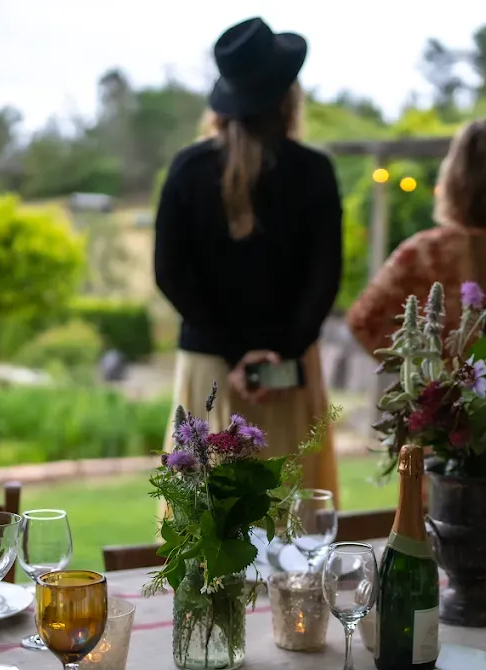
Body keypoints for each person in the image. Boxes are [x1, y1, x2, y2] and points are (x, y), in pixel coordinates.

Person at [154, 17, 341, 498]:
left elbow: (171, 274)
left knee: (207, 525)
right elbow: (325, 278)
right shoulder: (314, 172)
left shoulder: (188, 170)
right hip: (289, 371)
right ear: (287, 97)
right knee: (293, 515)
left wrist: (237, 354)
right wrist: (276, 356)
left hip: (212, 367)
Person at [347, 118, 486, 356]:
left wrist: (419, 371)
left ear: (453, 178)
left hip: (442, 393)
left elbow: (363, 323)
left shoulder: (426, 251)